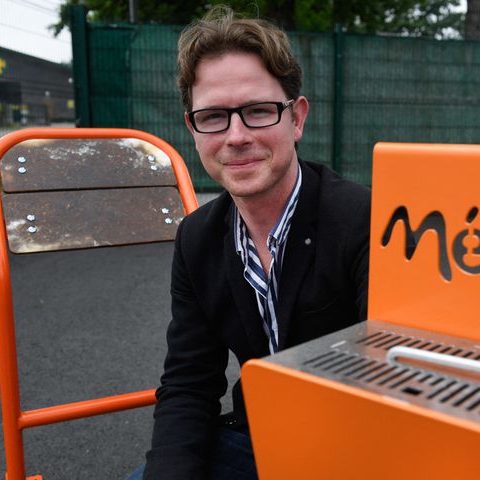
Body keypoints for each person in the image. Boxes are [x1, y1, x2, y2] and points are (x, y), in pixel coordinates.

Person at [139, 6, 370, 479]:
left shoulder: (364, 222)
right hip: (257, 440)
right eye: (214, 117)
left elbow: (397, 393)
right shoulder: (197, 239)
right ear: (193, 129)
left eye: (259, 111)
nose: (236, 137)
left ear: (297, 118)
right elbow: (189, 383)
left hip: (356, 451)